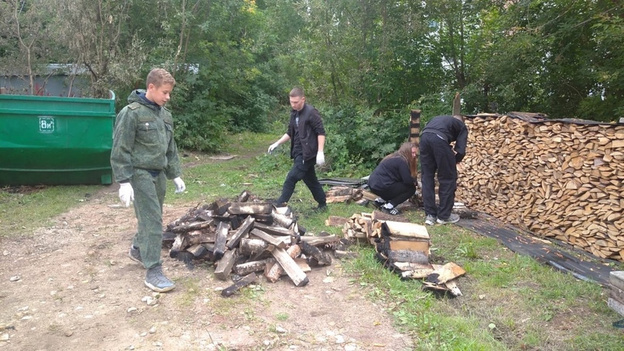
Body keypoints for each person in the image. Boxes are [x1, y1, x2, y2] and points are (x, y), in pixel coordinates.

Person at [110, 68, 186, 293]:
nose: (167, 97)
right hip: (139, 174)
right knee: (153, 221)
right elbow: (120, 148)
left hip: (159, 174)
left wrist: (175, 174)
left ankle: (137, 248)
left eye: (170, 93)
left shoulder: (165, 115)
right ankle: (153, 270)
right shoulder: (131, 113)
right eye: (164, 92)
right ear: (150, 87)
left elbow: (170, 148)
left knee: (152, 216)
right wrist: (123, 181)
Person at [268, 87, 327, 210]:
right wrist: (277, 143)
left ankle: (280, 204)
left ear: (303, 99)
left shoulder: (311, 112)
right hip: (298, 152)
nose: (293, 105)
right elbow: (290, 132)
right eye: (291, 102)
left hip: (307, 154)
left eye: (296, 102)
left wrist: (320, 152)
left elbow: (320, 132)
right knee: (310, 180)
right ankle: (322, 204)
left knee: (292, 178)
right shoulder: (294, 113)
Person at [419, 115, 468, 225]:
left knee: (427, 177)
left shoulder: (438, 119)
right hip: (439, 140)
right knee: (448, 178)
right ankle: (444, 216)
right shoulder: (461, 125)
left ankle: (430, 215)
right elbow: (460, 151)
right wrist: (453, 161)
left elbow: (431, 135)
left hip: (424, 138)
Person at [367, 142, 418, 215]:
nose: (414, 155)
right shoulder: (401, 161)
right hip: (382, 186)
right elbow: (407, 181)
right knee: (411, 189)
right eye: (412, 153)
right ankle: (388, 207)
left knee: (397, 186)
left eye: (415, 153)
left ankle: (379, 201)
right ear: (406, 152)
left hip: (373, 184)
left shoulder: (393, 157)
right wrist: (415, 182)